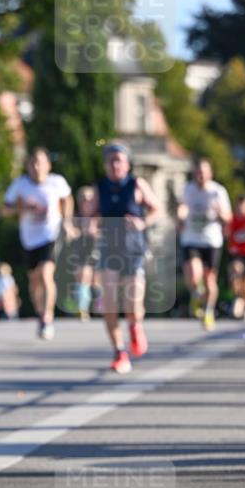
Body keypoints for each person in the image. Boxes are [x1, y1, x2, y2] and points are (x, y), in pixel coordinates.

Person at [91, 143, 161, 374]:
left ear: (127, 164)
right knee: (109, 305)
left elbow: (156, 209)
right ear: (105, 165)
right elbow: (89, 216)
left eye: (119, 160)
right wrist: (91, 227)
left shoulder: (136, 184)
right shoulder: (99, 188)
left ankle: (134, 324)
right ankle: (119, 352)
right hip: (109, 250)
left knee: (133, 304)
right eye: (110, 160)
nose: (115, 164)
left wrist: (143, 222)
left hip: (133, 250)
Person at [1, 146, 73, 339]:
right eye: (33, 163)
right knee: (34, 280)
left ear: (48, 165)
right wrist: (20, 208)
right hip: (29, 238)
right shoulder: (20, 185)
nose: (36, 167)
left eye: (40, 163)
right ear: (27, 166)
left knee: (46, 273)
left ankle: (47, 317)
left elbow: (67, 199)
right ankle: (41, 313)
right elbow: (4, 210)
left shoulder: (57, 182)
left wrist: (67, 221)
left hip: (50, 234)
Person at [177, 158, 232, 331]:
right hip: (191, 238)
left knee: (210, 280)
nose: (200, 176)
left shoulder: (218, 191)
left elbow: (228, 217)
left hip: (211, 239)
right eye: (197, 172)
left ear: (210, 173)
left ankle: (208, 311)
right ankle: (196, 293)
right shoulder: (188, 188)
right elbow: (182, 207)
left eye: (203, 172)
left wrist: (219, 213)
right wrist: (180, 216)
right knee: (193, 273)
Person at [69, 186, 101, 321]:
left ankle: (101, 306)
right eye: (83, 199)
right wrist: (79, 232)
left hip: (98, 251)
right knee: (83, 278)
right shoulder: (75, 217)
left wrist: (96, 233)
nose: (86, 202)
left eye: (89, 199)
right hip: (80, 252)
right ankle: (82, 309)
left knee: (96, 282)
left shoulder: (99, 217)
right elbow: (70, 234)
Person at [227, 194, 245, 321]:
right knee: (236, 272)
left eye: (244, 205)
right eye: (239, 205)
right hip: (238, 255)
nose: (241, 208)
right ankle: (238, 298)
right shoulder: (233, 220)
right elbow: (229, 237)